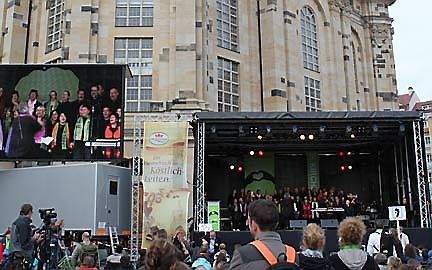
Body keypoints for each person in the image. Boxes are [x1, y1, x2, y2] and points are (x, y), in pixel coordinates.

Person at [230, 199, 296, 270]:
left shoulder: (242, 255)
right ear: (276, 224)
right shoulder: (293, 255)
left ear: (254, 225)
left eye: (248, 220)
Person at [9, 204, 41, 269]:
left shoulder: (17, 222)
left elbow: (18, 237)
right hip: (20, 256)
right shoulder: (23, 223)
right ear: (29, 212)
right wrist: (34, 238)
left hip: (15, 255)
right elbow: (24, 243)